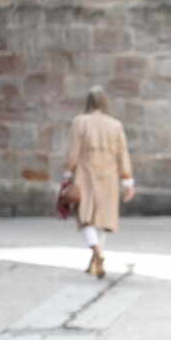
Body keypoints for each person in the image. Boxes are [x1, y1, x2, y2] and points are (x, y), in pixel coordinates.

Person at [62, 86, 134, 279]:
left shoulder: (79, 122)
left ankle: (96, 253)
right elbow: (123, 154)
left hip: (85, 173)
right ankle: (97, 255)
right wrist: (127, 181)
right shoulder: (115, 125)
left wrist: (67, 174)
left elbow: (73, 151)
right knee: (104, 217)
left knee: (85, 215)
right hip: (109, 174)